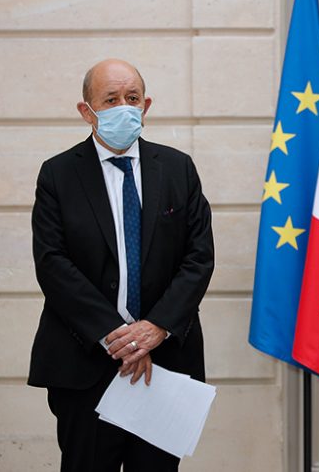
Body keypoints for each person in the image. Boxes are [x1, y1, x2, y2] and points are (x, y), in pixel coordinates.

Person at [28, 59, 215, 471]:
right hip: (85, 366)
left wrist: (155, 328)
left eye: (132, 98)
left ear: (146, 105)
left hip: (165, 365)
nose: (123, 108)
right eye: (110, 100)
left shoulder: (178, 168)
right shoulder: (58, 175)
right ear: (86, 111)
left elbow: (198, 257)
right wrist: (120, 338)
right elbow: (52, 264)